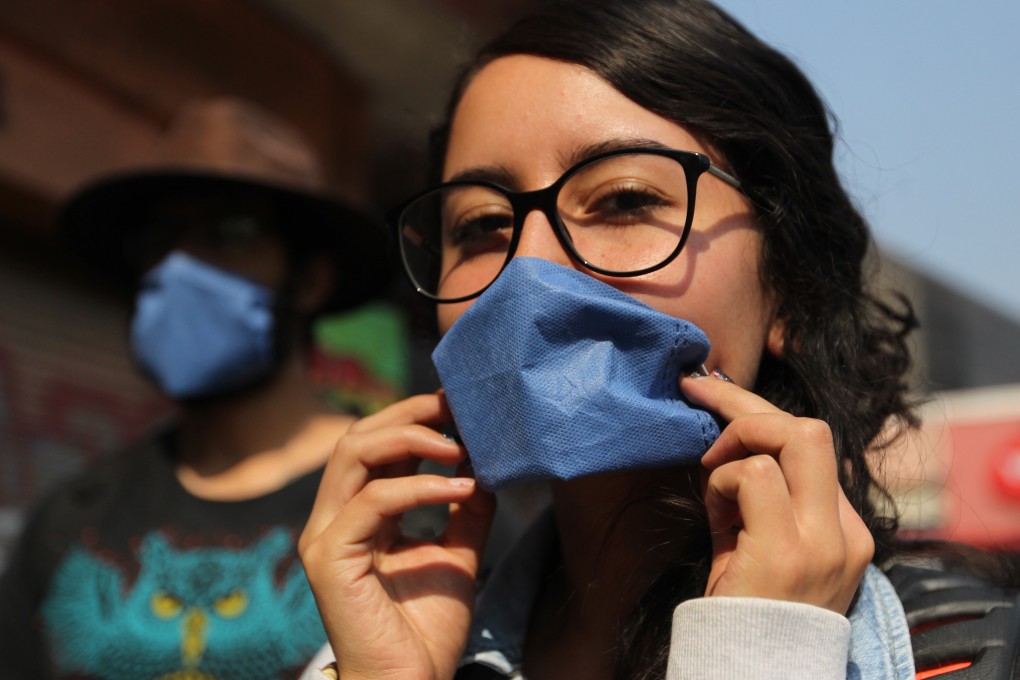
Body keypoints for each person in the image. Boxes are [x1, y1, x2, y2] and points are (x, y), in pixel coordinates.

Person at [297, 2, 1019, 679]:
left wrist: (759, 649)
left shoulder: (976, 647)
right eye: (482, 224)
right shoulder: (387, 642)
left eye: (624, 200)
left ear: (791, 288)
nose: (527, 270)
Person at [0, 97, 390, 679]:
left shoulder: (399, 499)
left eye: (228, 231)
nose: (180, 264)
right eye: (160, 238)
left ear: (308, 280)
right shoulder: (71, 519)